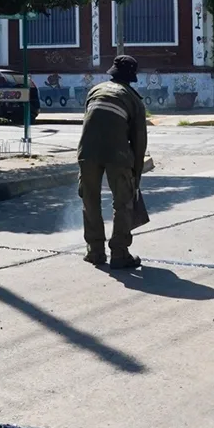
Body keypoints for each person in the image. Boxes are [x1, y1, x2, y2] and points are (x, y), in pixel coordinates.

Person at [77, 55, 148, 269]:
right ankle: (119, 253)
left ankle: (95, 251)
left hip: (87, 152)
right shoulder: (134, 100)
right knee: (123, 202)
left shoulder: (95, 91)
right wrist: (136, 177)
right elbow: (139, 143)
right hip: (117, 154)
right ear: (131, 77)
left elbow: (88, 124)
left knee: (90, 200)